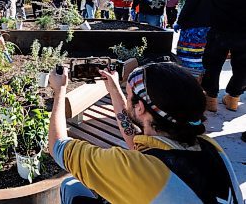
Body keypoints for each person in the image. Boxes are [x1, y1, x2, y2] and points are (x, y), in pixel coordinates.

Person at [48, 62, 243, 204]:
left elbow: (57, 145)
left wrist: (60, 91)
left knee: (71, 187)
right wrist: (115, 89)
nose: (127, 96)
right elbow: (136, 144)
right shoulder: (211, 147)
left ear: (140, 108)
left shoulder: (135, 169)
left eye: (129, 94)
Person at [202, 0, 246, 112]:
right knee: (242, 68)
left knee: (213, 65)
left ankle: (211, 99)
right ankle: (233, 98)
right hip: (243, 33)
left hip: (219, 29)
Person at [174, 0, 216, 80]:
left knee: (190, 58)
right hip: (208, 28)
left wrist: (180, 22)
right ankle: (200, 82)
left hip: (194, 29)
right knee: (201, 56)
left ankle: (190, 82)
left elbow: (189, 7)